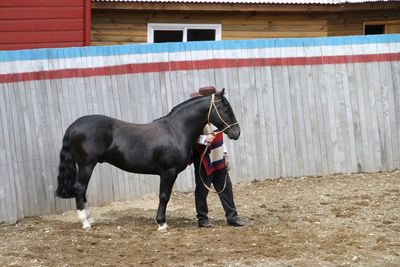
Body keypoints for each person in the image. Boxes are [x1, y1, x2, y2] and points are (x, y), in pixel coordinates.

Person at [191, 86, 244, 228]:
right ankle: (202, 218)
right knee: (202, 190)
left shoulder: (215, 116)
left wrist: (225, 153)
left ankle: (232, 217)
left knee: (226, 187)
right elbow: (189, 138)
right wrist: (203, 139)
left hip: (218, 156)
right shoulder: (195, 118)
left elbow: (221, 134)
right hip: (204, 159)